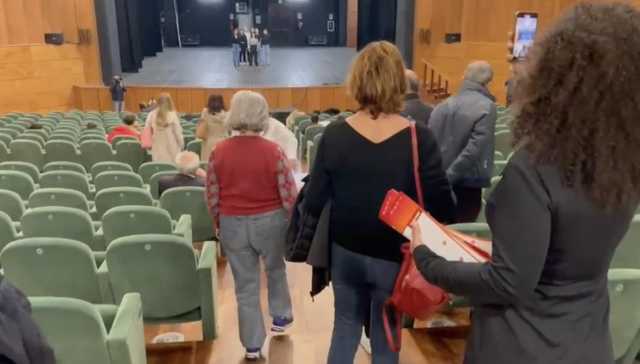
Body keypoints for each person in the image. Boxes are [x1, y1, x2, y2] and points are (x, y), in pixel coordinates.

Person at [412, 4, 640, 364]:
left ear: (557, 75)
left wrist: (427, 260)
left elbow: (508, 283)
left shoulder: (534, 168)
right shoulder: (624, 163)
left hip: (522, 345)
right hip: (590, 341)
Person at [304, 41, 456, 364]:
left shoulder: (334, 134)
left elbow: (314, 200)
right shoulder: (420, 137)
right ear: (398, 84)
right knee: (387, 337)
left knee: (344, 327)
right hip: (394, 256)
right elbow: (444, 207)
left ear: (357, 81)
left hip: (345, 252)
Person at [206, 90, 296, 361]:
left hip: (233, 223)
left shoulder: (217, 151)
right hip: (270, 221)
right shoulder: (274, 151)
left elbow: (212, 194)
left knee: (245, 286)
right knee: (276, 268)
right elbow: (288, 192)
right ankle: (280, 316)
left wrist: (218, 223)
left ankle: (253, 345)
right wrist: (291, 222)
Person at [429, 61, 497, 223]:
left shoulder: (441, 106)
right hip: (468, 182)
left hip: (441, 181)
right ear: (488, 81)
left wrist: (444, 178)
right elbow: (475, 149)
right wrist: (450, 176)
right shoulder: (487, 106)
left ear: (464, 77)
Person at [144, 93, 184, 163]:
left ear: (158, 102)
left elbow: (146, 131)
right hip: (172, 150)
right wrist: (181, 145)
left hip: (157, 149)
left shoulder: (151, 114)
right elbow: (178, 134)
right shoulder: (173, 115)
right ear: (170, 102)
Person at [196, 94, 228, 162]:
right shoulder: (226, 114)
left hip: (208, 142)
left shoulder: (205, 112)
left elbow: (200, 125)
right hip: (223, 142)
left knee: (208, 164)